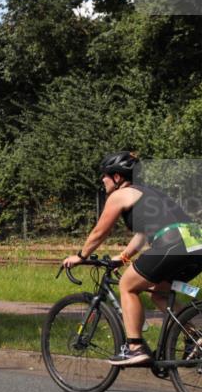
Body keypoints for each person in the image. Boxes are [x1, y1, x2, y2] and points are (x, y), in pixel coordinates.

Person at [63, 151, 202, 366]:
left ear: (117, 177)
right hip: (195, 242)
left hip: (174, 242)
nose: (102, 180)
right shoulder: (150, 193)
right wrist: (124, 258)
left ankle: (135, 347)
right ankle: (195, 338)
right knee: (159, 294)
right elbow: (142, 235)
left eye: (105, 175)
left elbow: (99, 232)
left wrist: (81, 256)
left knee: (127, 285)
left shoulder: (120, 195)